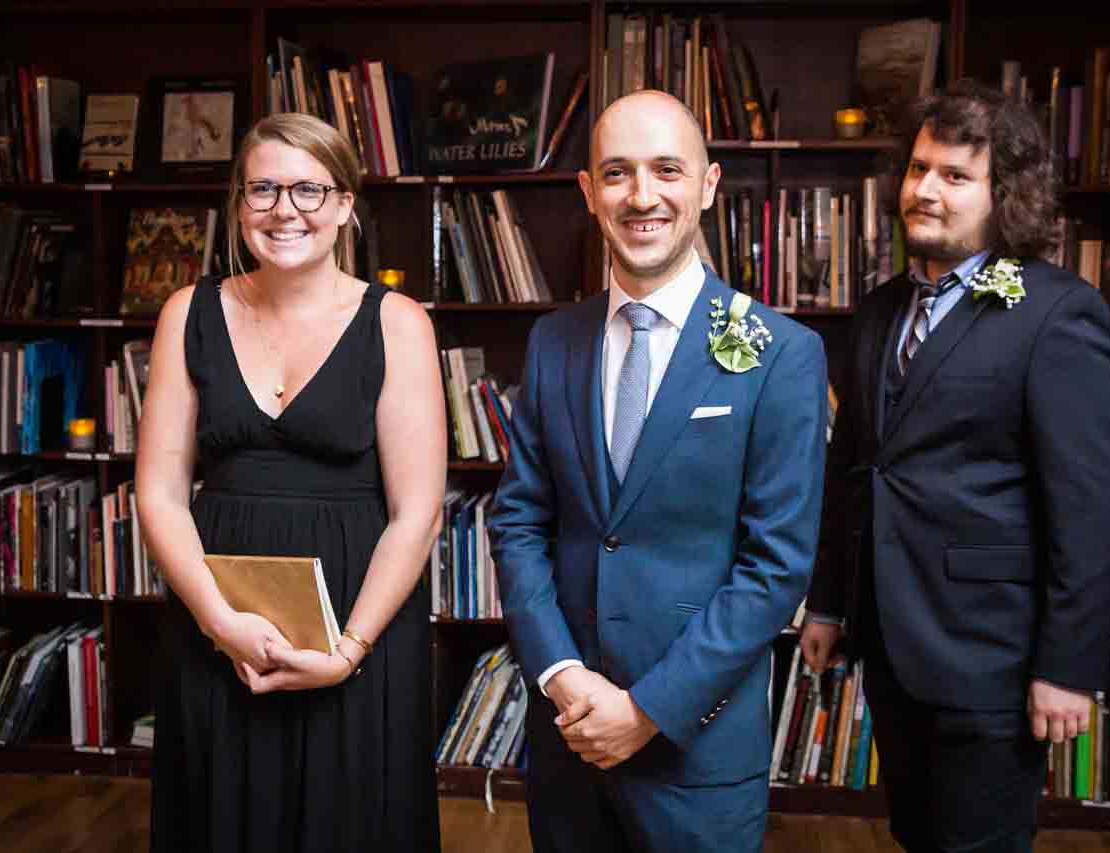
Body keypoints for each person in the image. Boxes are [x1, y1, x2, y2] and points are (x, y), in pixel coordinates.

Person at [487, 90, 828, 853]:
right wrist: (559, 674)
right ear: (588, 193)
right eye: (617, 173)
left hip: (694, 757)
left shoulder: (781, 352)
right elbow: (519, 521)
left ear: (707, 184)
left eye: (667, 170)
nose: (642, 196)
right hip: (568, 743)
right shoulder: (553, 342)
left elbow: (775, 566)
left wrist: (646, 709)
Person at [800, 79, 1110, 852]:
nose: (926, 190)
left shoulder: (1058, 312)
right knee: (917, 835)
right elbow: (852, 468)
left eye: (956, 176)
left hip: (993, 656)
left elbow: (1095, 503)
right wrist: (826, 603)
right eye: (919, 169)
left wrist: (1068, 663)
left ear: (1004, 195)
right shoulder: (880, 308)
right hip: (889, 641)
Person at [137, 112, 445, 852]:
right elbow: (159, 493)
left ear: (345, 205)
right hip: (220, 627)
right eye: (264, 189)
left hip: (358, 628)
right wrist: (217, 620)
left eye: (309, 189)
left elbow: (418, 512)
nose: (285, 211)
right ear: (238, 205)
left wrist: (348, 648)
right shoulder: (189, 312)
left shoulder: (397, 322)